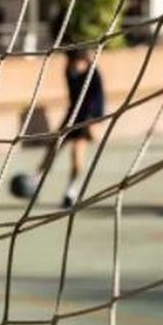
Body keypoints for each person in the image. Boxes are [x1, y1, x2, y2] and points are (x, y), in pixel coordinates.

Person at [31, 47, 106, 208]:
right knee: (54, 145)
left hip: (89, 118)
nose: (72, 66)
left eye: (75, 63)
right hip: (73, 115)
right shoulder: (69, 70)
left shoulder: (93, 74)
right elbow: (73, 98)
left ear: (83, 61)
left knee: (77, 153)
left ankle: (71, 191)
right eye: (70, 62)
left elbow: (98, 99)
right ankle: (36, 180)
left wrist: (94, 122)